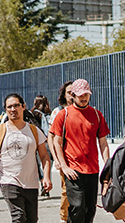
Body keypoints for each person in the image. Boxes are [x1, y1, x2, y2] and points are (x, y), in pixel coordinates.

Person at [50, 79, 110, 223]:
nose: (83, 98)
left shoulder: (96, 115)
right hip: (73, 170)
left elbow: (103, 142)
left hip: (92, 170)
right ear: (73, 95)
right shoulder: (63, 115)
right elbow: (56, 142)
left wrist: (108, 166)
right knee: (77, 207)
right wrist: (64, 166)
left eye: (86, 95)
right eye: (80, 95)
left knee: (90, 209)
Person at [0, 93, 52, 223]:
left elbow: (44, 156)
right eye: (9, 107)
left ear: (23, 107)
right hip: (9, 181)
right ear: (5, 110)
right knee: (18, 217)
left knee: (32, 219)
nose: (13, 109)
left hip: (31, 183)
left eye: (16, 105)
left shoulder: (34, 130)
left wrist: (47, 177)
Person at [50, 80, 73, 222]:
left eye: (74, 93)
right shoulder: (58, 112)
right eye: (69, 93)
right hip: (65, 158)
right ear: (64, 95)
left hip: (82, 159)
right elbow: (51, 138)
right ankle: (64, 218)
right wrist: (57, 160)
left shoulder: (85, 110)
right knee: (67, 189)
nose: (72, 95)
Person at [30, 95, 53, 197]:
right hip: (49, 141)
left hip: (39, 142)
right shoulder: (50, 113)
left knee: (40, 164)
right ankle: (48, 184)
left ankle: (43, 183)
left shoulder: (34, 114)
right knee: (48, 164)